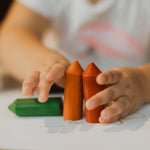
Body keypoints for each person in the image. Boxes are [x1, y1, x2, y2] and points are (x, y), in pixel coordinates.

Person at [0, 0, 150, 124]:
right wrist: (41, 61)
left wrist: (143, 80)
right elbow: (12, 34)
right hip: (58, 87)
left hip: (131, 92)